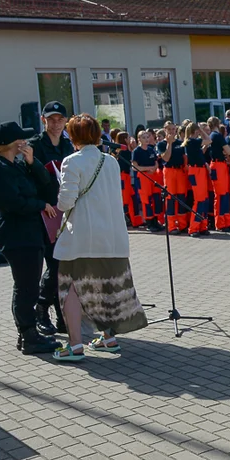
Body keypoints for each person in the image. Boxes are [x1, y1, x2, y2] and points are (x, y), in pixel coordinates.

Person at [54, 114, 148, 362]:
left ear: (72, 136)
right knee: (106, 286)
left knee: (71, 289)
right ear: (97, 134)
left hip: (82, 237)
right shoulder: (111, 161)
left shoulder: (71, 162)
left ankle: (75, 345)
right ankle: (108, 338)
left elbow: (65, 202)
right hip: (112, 236)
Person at [0, 122, 60, 355]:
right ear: (13, 143)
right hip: (17, 235)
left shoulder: (14, 164)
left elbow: (46, 182)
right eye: (21, 140)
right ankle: (28, 335)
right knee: (26, 288)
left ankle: (29, 333)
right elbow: (14, 204)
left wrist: (31, 161)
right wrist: (41, 205)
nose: (25, 142)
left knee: (29, 287)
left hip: (30, 233)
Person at [28, 101, 75, 335]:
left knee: (64, 264)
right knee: (55, 263)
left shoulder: (69, 145)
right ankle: (41, 309)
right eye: (51, 119)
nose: (56, 124)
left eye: (60, 119)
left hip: (67, 212)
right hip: (44, 213)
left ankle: (62, 315)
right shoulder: (33, 146)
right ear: (43, 120)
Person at [158, 121, 191, 230]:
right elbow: (166, 158)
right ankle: (171, 226)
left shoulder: (180, 143)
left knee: (181, 197)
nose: (172, 131)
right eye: (169, 129)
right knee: (170, 197)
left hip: (180, 171)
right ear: (165, 130)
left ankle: (182, 224)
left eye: (173, 129)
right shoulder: (161, 144)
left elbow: (184, 157)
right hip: (169, 171)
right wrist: (169, 143)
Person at [206, 117, 230, 231]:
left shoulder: (211, 136)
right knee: (221, 195)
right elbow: (229, 151)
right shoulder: (217, 136)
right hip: (219, 165)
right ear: (217, 124)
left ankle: (225, 221)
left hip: (217, 164)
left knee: (222, 195)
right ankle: (221, 223)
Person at [182, 121, 212, 236]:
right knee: (199, 200)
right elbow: (209, 140)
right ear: (196, 131)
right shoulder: (192, 141)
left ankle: (202, 225)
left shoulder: (192, 143)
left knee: (204, 199)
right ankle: (194, 228)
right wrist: (202, 130)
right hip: (195, 171)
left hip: (199, 169)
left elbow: (200, 154)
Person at [131, 130, 164, 230]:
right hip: (143, 177)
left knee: (156, 198)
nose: (146, 139)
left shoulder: (151, 149)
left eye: (147, 137)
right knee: (147, 200)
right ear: (139, 139)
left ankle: (155, 220)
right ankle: (149, 222)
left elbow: (156, 162)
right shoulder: (137, 151)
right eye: (144, 137)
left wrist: (154, 168)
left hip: (154, 176)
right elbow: (134, 166)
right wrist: (148, 168)